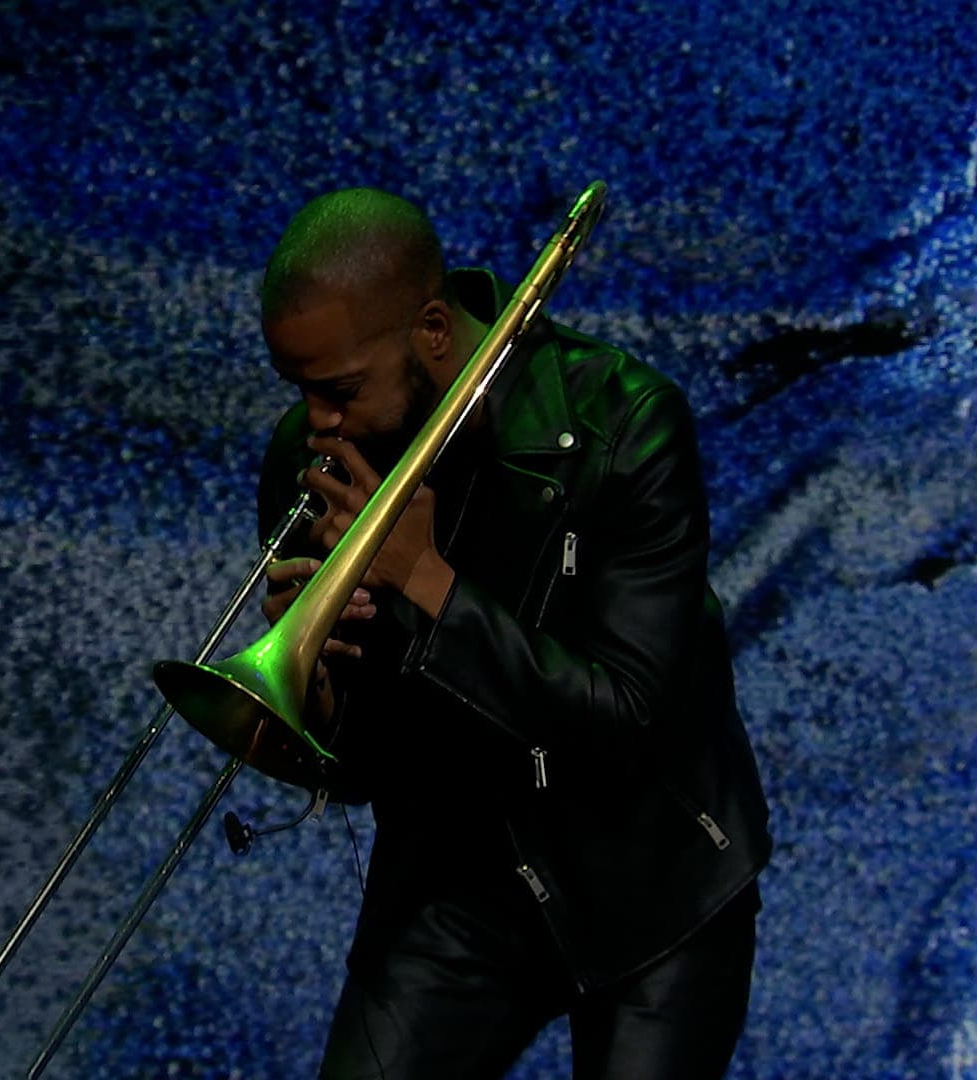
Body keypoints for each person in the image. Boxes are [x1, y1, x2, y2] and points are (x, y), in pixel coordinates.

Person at [250, 188, 772, 1078]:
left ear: (432, 331)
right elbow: (364, 768)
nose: (317, 420)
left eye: (339, 390)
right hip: (455, 879)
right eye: (298, 389)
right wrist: (320, 695)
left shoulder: (627, 422)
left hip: (654, 881)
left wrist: (427, 582)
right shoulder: (314, 460)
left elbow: (626, 714)